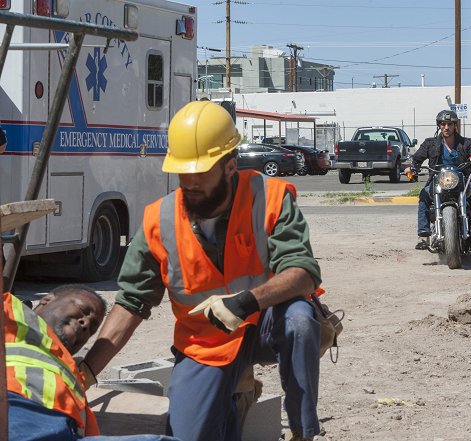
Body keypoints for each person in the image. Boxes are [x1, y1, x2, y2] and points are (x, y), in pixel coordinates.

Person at [82, 101, 324, 441]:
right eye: (183, 172)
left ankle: (302, 432)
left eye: (201, 171)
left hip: (267, 324)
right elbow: (131, 303)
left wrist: (245, 302)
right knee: (187, 436)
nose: (190, 182)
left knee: (301, 319)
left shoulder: (269, 198)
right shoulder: (160, 220)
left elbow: (303, 272)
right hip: (205, 341)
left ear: (230, 165)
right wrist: (88, 371)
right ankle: (235, 394)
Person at [5, 284, 179, 441]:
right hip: (15, 414)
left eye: (93, 326)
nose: (86, 322)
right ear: (47, 299)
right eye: (82, 309)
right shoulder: (11, 315)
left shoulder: (71, 373)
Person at [404, 110, 471, 250]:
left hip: (462, 179)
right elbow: (417, 158)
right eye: (443, 124)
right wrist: (411, 166)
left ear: (455, 125)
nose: (446, 127)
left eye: (449, 124)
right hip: (438, 179)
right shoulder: (430, 143)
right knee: (424, 195)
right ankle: (423, 234)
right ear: (439, 125)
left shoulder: (466, 143)